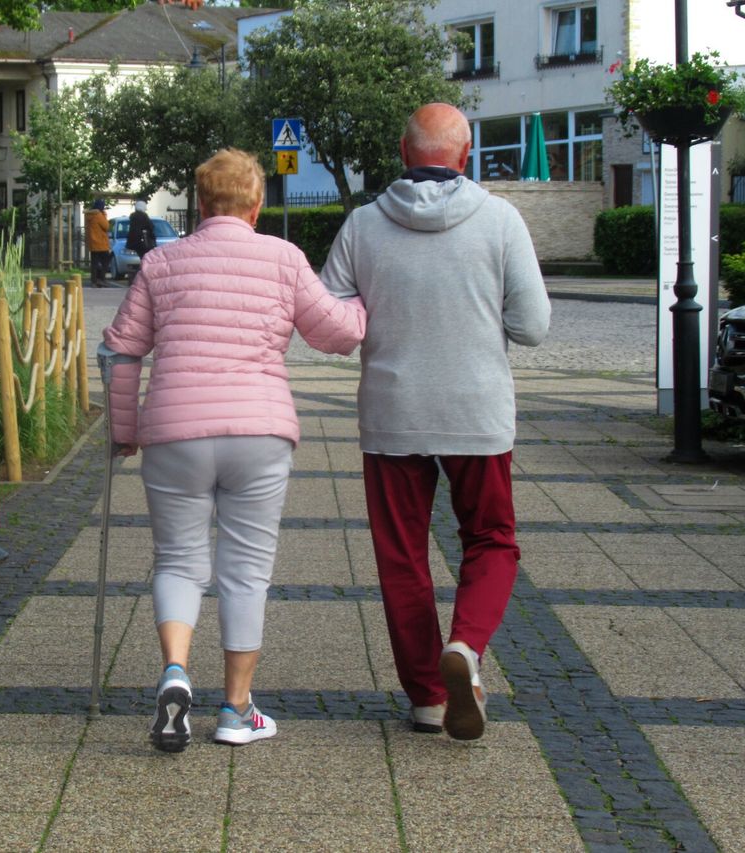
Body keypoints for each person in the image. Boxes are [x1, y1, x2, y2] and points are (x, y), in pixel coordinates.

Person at [101, 149, 366, 753]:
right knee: (246, 570)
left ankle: (175, 671)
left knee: (176, 560)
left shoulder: (161, 263)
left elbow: (122, 352)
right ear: (255, 205)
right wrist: (368, 302)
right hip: (258, 430)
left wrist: (124, 432)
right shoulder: (283, 258)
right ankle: (235, 710)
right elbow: (336, 333)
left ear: (199, 205)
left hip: (174, 430)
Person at [320, 103, 550, 741]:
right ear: (466, 155)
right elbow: (532, 327)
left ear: (403, 152)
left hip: (394, 414)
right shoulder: (502, 220)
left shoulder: (363, 226)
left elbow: (333, 324)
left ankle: (426, 698)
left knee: (402, 556)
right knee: (492, 540)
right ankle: (468, 648)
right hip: (477, 412)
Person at [84, 198, 111, 287]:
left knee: (94, 263)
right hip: (101, 243)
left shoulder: (89, 215)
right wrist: (104, 215)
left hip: (93, 242)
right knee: (105, 261)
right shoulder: (98, 215)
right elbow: (106, 226)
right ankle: (102, 279)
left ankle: (94, 281)